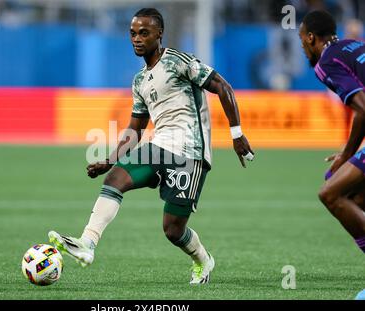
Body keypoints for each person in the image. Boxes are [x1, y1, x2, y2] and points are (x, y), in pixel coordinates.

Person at [48, 8, 254, 284]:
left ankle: (203, 260)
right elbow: (135, 129)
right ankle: (88, 244)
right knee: (115, 178)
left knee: (172, 230)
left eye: (144, 33)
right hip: (159, 145)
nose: (137, 38)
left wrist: (236, 133)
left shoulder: (179, 62)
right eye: (133, 33)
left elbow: (222, 86)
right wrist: (108, 160)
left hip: (189, 153)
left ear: (159, 34)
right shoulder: (140, 81)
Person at [299, 10, 365, 254]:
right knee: (355, 199)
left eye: (301, 38)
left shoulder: (325, 63)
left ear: (310, 38)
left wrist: (346, 154)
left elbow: (363, 108)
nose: (303, 46)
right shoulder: (355, 45)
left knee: (330, 194)